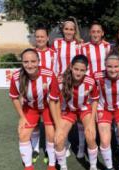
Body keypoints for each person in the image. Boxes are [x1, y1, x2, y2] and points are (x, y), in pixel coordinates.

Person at [9, 48, 60, 170]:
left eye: (33, 61)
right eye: (26, 62)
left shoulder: (49, 75)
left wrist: (57, 123)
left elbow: (54, 100)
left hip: (48, 107)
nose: (30, 65)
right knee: (23, 134)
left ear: (38, 61)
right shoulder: (16, 77)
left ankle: (52, 165)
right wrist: (22, 117)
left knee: (51, 134)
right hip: (30, 108)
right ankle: (28, 167)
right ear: (22, 62)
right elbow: (14, 97)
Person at [51, 55, 99, 170]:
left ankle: (93, 167)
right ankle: (63, 167)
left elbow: (94, 100)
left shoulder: (90, 81)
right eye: (76, 69)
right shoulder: (60, 81)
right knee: (59, 138)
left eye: (82, 70)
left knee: (90, 135)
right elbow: (53, 101)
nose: (79, 72)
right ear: (71, 67)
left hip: (84, 109)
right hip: (68, 110)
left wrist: (92, 122)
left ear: (86, 70)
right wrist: (58, 125)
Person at [93, 52, 119, 170]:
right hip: (103, 108)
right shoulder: (98, 76)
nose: (113, 69)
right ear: (105, 66)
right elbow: (92, 94)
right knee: (104, 141)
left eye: (116, 66)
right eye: (109, 66)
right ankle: (109, 167)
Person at [52, 17, 85, 159]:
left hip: (77, 83)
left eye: (72, 29)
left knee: (79, 116)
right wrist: (55, 78)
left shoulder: (80, 44)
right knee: (61, 115)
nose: (69, 31)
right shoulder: (57, 43)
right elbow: (54, 63)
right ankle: (65, 143)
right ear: (63, 30)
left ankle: (82, 147)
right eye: (66, 29)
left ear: (75, 30)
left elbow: (83, 64)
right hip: (61, 84)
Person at [30, 26, 58, 164]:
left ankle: (48, 149)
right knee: (34, 124)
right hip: (33, 95)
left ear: (47, 38)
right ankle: (35, 148)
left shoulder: (53, 54)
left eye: (42, 36)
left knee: (49, 125)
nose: (40, 39)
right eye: (37, 36)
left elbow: (57, 73)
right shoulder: (30, 53)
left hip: (49, 97)